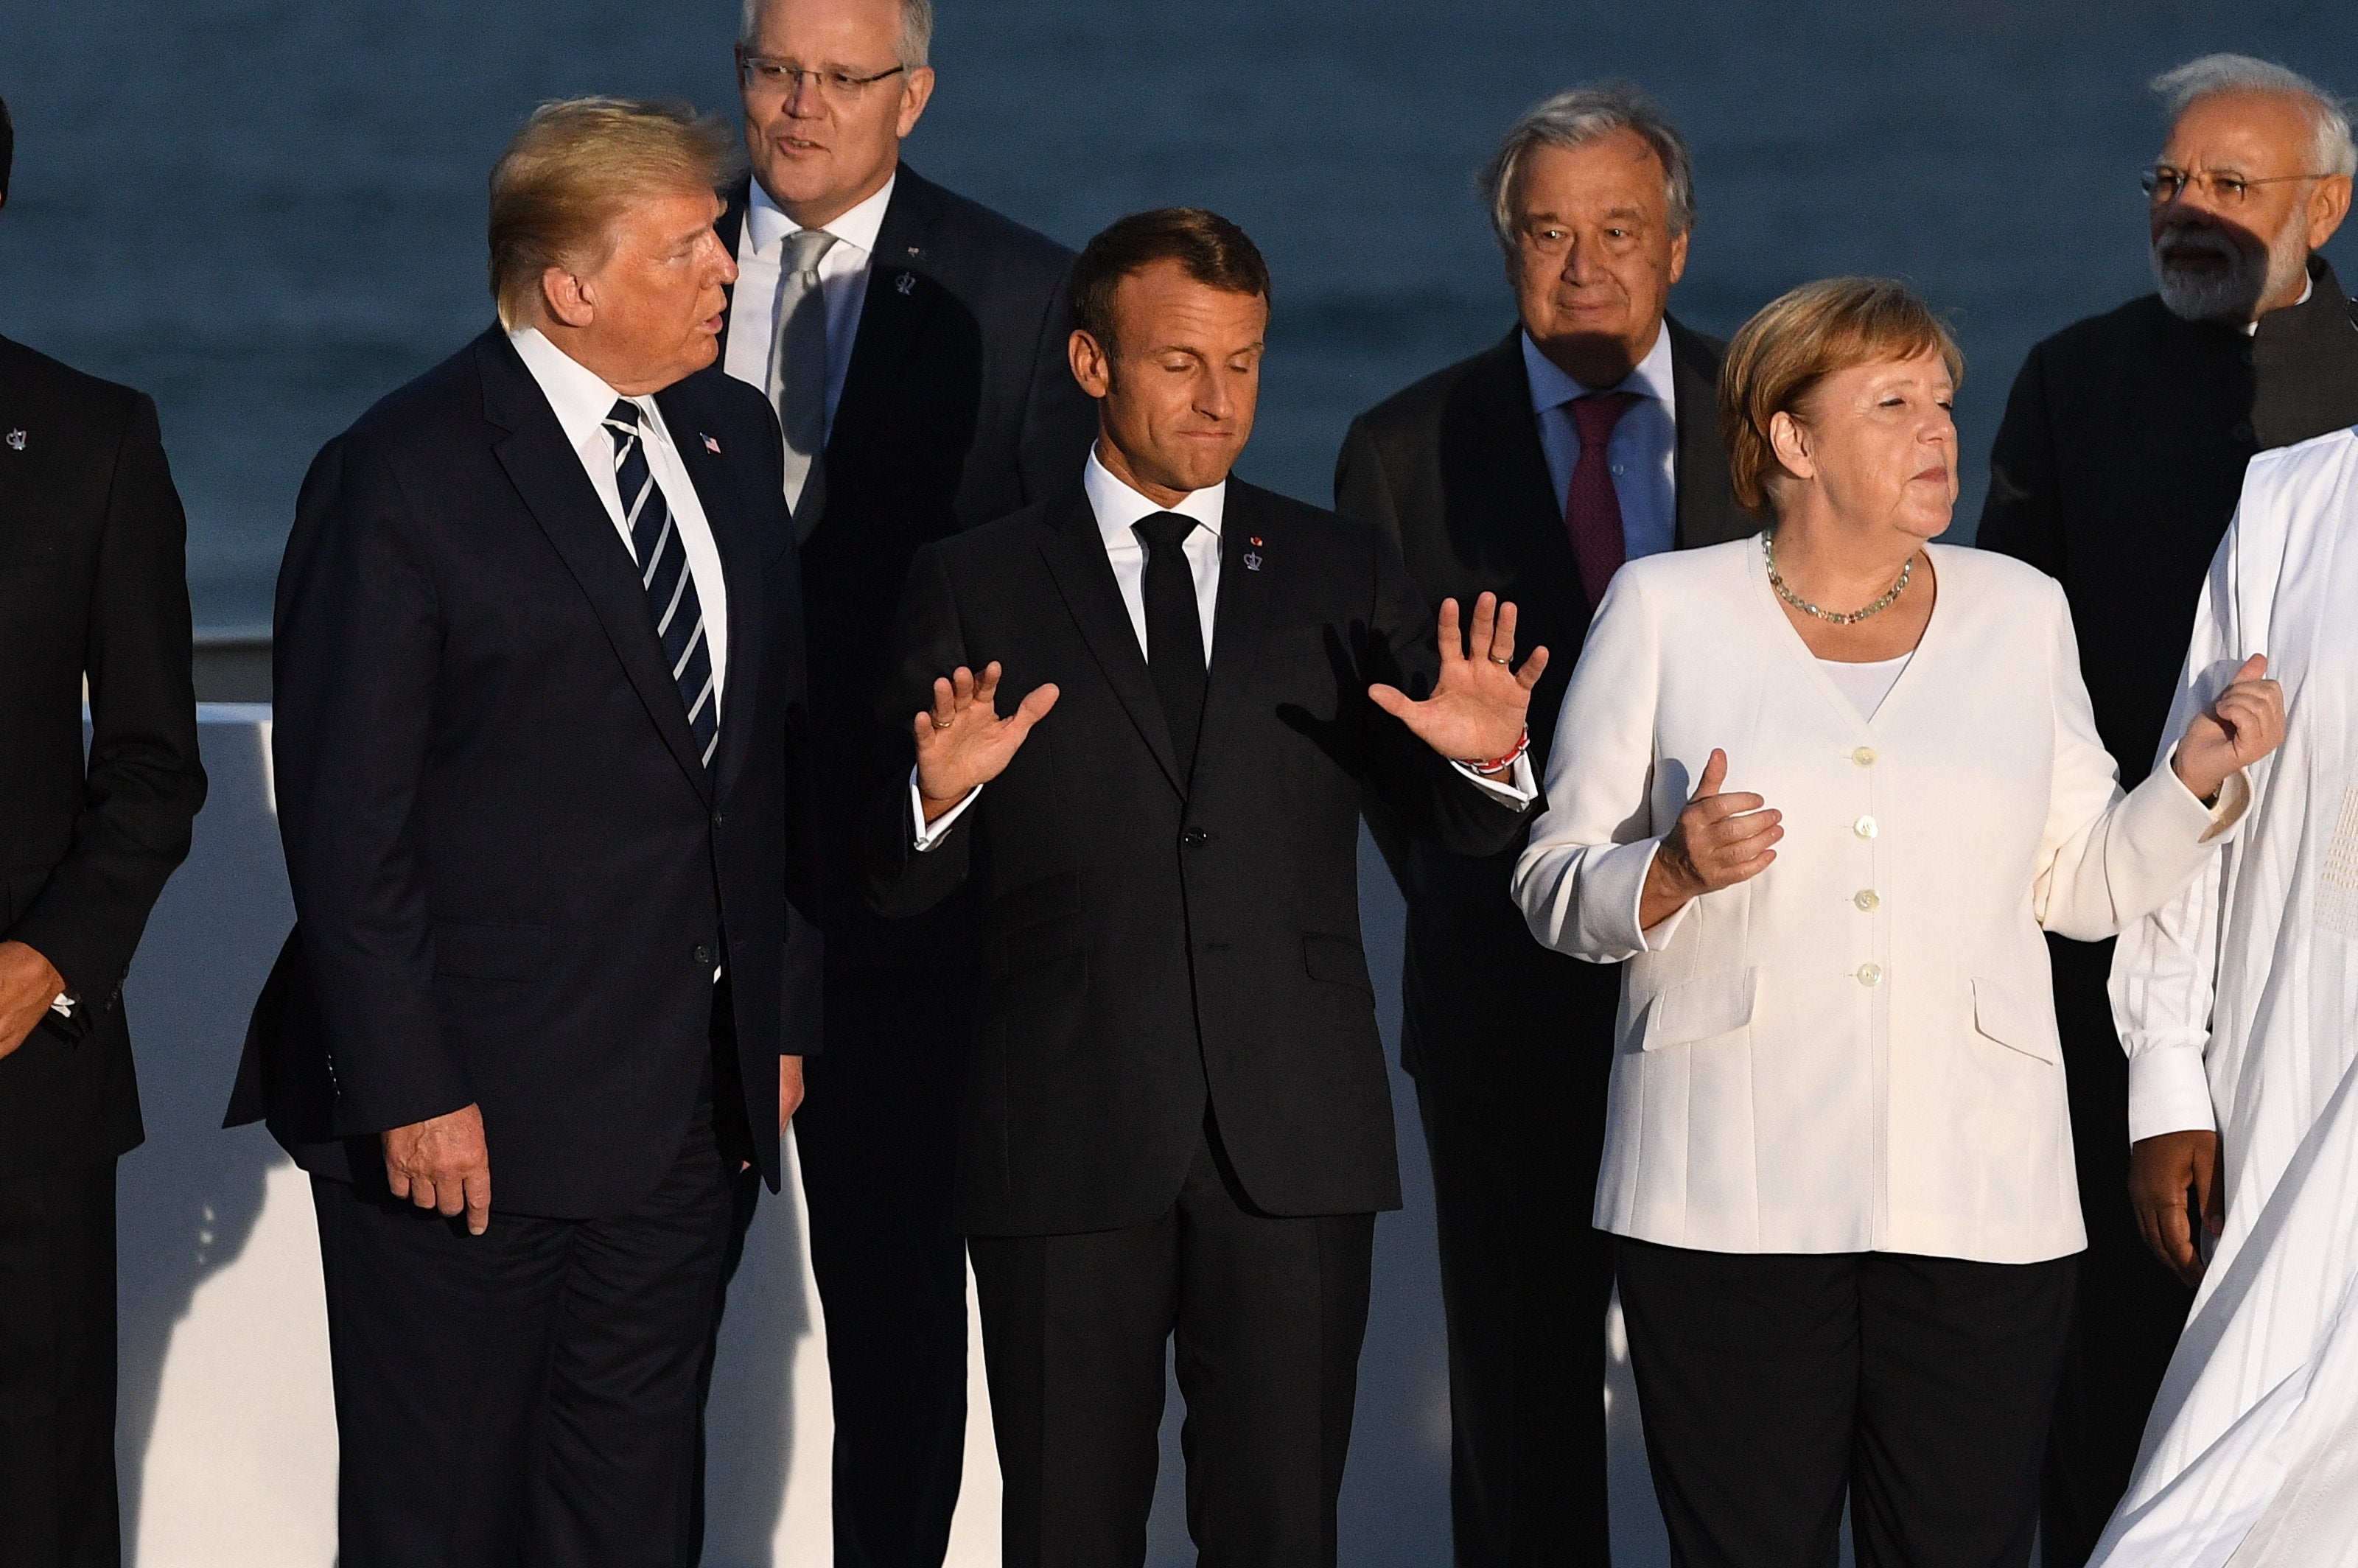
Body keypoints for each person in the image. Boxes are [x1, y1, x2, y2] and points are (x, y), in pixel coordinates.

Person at [1514, 276, 2283, 1568]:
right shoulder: (1664, 606)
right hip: (1724, 1204)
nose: (1939, 433)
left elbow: (2080, 885)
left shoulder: (2019, 608)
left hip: (1980, 1197)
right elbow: (1550, 882)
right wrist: (1669, 871)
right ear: (1791, 442)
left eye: (1943, 402)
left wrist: (2191, 780)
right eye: (1893, 405)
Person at [868, 208, 1543, 1565]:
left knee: (1282, 1531)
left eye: (1243, 363)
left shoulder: (1339, 572)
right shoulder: (976, 581)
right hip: (1062, 1129)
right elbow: (888, 884)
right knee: (1067, 1530)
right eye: (1181, 362)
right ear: (1090, 363)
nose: (1220, 398)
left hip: (1291, 1136)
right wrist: (939, 796)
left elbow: (1459, 842)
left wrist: (1495, 763)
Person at [228, 99, 820, 1567]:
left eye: (719, 242)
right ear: (571, 285)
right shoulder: (400, 472)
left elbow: (764, 765)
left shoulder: (734, 436)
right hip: (464, 1130)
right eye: (688, 247)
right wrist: (413, 1084)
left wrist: (781, 1010)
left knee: (631, 1519)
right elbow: (348, 818)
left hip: (687, 1117)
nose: (727, 274)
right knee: (445, 1522)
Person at [1331, 82, 1752, 1564]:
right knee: (1516, 1405)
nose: (1584, 266)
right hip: (1502, 1004)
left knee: (1739, 1406)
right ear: (1503, 245)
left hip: (1738, 991)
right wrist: (1505, 876)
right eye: (1547, 233)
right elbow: (1384, 753)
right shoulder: (1397, 446)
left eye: (1619, 230)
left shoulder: (1766, 420)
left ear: (1679, 246)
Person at [714, 4, 1096, 1555]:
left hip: (917, 894)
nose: (800, 105)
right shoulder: (664, 249)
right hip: (672, 886)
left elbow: (1053, 590)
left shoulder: (1020, 292)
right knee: (629, 1330)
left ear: (914, 96)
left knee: (898, 1342)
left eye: (840, 77)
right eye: (770, 68)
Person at [1975, 56, 2358, 1561]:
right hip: (2123, 938)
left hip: (2317, 956)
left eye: (2229, 186)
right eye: (2167, 184)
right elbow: (2013, 662)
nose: (2187, 212)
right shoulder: (2074, 379)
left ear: (2324, 206)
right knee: (2117, 1365)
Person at [0, 92, 209, 1568]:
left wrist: (45, 958)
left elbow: (150, 765)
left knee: (38, 1476)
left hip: (21, 1067)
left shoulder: (91, 440)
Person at [2096, 425, 2358, 1564]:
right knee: (2229, 1488)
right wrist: (2165, 1073)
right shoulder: (2295, 499)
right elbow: (2197, 790)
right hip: (2303, 1061)